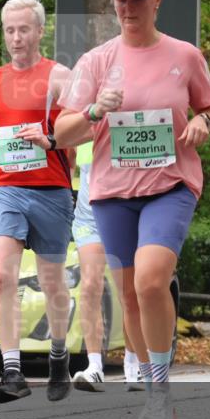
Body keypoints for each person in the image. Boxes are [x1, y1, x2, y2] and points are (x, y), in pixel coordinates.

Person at [55, 0, 210, 419]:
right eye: (119, 0)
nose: (126, 7)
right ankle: (153, 394)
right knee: (129, 295)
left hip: (170, 185)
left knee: (151, 282)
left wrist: (201, 124)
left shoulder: (184, 55)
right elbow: (63, 131)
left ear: (156, 0)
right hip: (112, 191)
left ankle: (162, 393)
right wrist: (93, 109)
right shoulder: (96, 61)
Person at [0, 0, 75, 404]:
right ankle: (12, 371)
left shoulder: (59, 77)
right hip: (6, 188)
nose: (16, 37)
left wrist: (50, 139)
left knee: (52, 283)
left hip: (51, 190)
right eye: (10, 30)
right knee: (4, 277)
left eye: (24, 29)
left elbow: (77, 126)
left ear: (39, 31)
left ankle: (58, 356)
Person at [69, 141, 145, 392]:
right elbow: (68, 153)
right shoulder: (85, 117)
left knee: (129, 292)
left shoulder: (123, 113)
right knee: (90, 284)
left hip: (122, 209)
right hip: (88, 215)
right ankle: (94, 367)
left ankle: (133, 366)